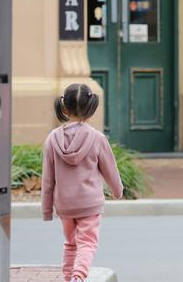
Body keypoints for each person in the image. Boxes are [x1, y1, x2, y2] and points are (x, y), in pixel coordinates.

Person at [42, 83, 123, 282]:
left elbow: (48, 179)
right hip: (89, 204)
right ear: (90, 110)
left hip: (65, 205)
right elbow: (110, 170)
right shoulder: (97, 138)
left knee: (70, 244)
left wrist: (46, 210)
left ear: (64, 108)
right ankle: (78, 276)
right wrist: (117, 191)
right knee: (87, 243)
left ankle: (69, 278)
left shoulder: (52, 139)